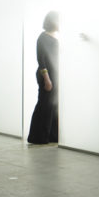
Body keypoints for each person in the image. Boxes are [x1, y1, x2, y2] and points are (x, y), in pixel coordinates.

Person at [27, 11, 59, 145]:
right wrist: (47, 78)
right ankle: (37, 137)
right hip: (46, 76)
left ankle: (52, 136)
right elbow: (41, 60)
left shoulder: (56, 39)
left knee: (53, 106)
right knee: (44, 105)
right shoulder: (42, 38)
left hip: (55, 76)